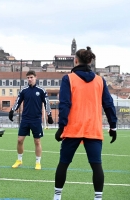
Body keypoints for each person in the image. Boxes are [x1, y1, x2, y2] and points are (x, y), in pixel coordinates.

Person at [53, 47, 117, 200]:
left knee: (63, 163)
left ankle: (57, 197)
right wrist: (113, 126)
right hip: (93, 129)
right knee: (96, 165)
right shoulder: (100, 80)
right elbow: (108, 104)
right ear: (90, 61)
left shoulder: (68, 78)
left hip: (73, 129)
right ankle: (98, 198)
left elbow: (64, 104)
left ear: (76, 60)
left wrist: (61, 127)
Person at [9, 70, 53, 170]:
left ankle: (38, 162)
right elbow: (18, 101)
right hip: (25, 119)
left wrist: (49, 115)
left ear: (35, 77)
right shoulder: (23, 90)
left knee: (37, 141)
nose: (29, 79)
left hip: (36, 119)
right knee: (19, 140)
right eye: (28, 77)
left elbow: (47, 103)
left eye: (31, 77)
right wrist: (12, 110)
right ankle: (19, 160)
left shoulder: (41, 90)